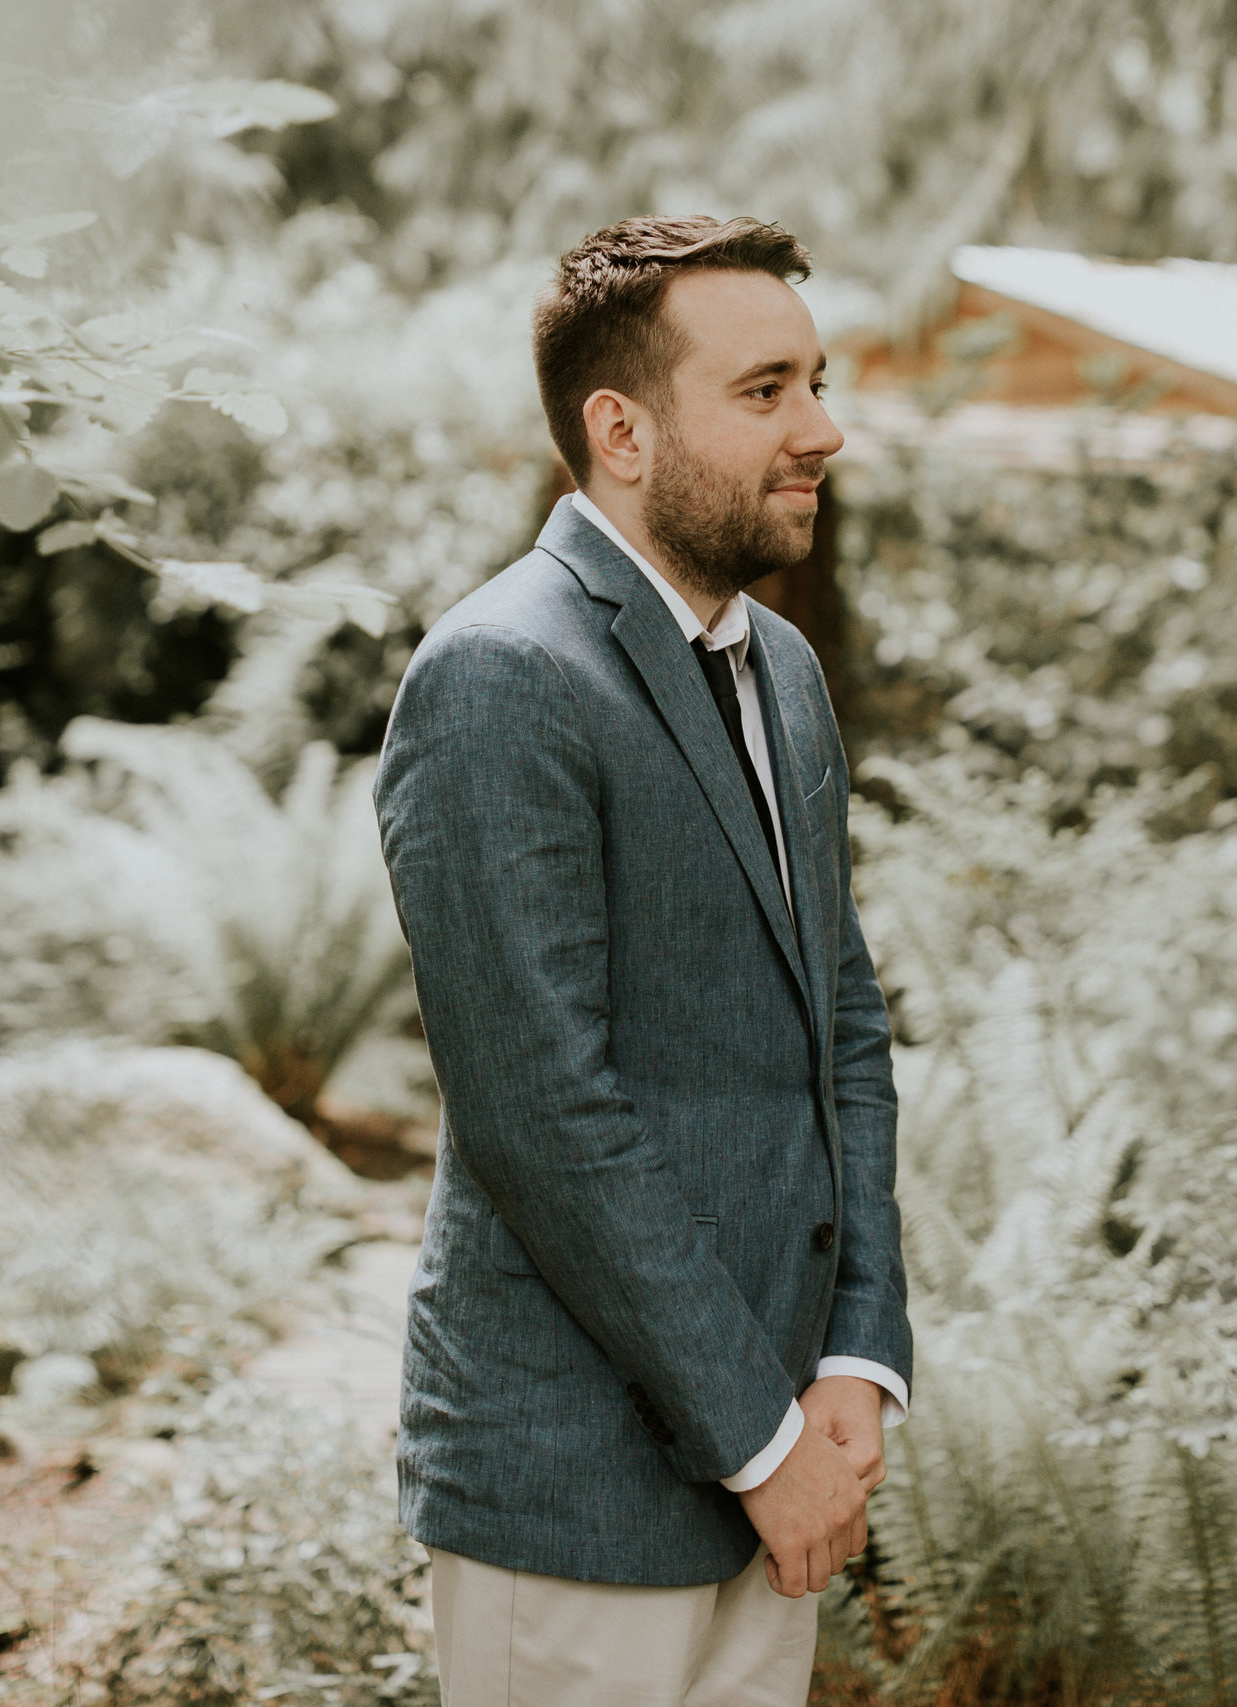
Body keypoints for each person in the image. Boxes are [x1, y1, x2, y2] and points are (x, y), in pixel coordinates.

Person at [371, 215, 913, 1707]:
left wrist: (857, 1358)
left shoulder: (782, 672)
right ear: (618, 428)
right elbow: (546, 1116)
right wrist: (764, 1445)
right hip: (577, 1497)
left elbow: (842, 1030)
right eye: (764, 393)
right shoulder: (501, 676)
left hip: (786, 1465)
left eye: (815, 381)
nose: (823, 430)